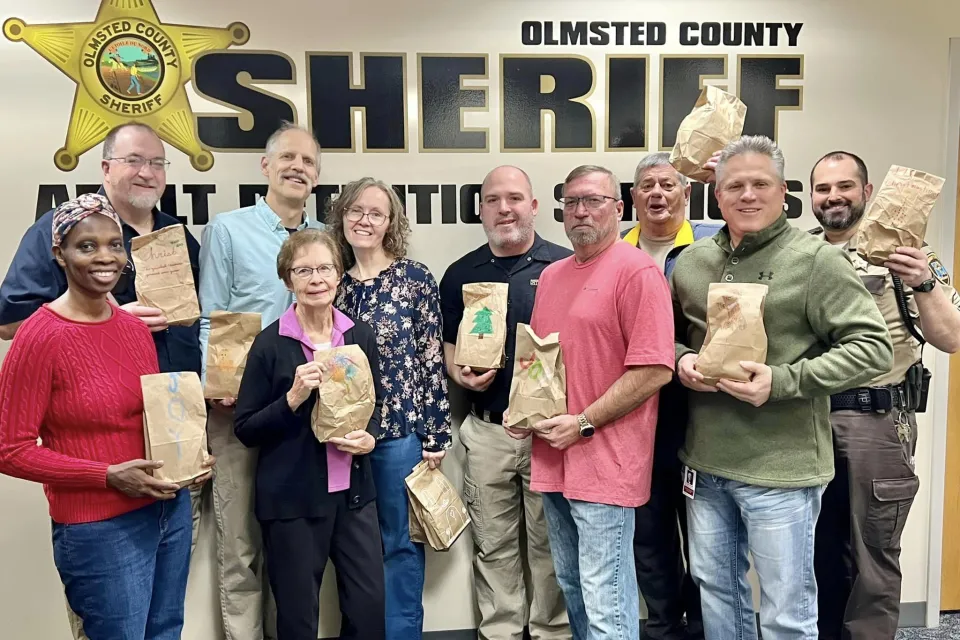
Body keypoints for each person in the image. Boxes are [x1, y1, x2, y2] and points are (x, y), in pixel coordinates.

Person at [671, 135, 894, 640]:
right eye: (735, 186)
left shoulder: (816, 261)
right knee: (716, 591)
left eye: (761, 184)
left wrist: (784, 381)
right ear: (717, 195)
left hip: (782, 469)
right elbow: (670, 335)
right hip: (705, 463)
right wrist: (682, 359)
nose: (747, 195)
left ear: (783, 192)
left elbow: (873, 349)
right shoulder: (692, 262)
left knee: (785, 610)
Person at [0, 122, 205, 639]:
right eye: (87, 246)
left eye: (115, 245)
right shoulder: (42, 334)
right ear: (59, 254)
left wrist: (188, 457)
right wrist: (107, 476)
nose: (106, 256)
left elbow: (144, 411)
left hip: (166, 506)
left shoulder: (135, 328)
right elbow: (10, 449)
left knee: (166, 630)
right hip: (99, 522)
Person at [507, 164, 675, 639]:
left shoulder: (637, 271)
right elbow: (542, 360)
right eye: (572, 201)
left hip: (606, 462)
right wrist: (524, 411)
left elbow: (655, 368)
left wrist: (583, 421)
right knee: (573, 586)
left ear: (619, 209)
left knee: (606, 598)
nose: (581, 211)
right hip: (553, 456)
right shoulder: (553, 275)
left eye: (593, 201)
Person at [808, 151, 960, 640]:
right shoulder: (801, 252)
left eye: (845, 186)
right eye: (823, 188)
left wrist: (923, 281)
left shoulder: (907, 253)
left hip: (876, 421)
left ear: (867, 192)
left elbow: (952, 337)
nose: (833, 197)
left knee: (872, 553)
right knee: (813, 551)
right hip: (805, 422)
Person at [199, 121, 324, 640]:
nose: (298, 167)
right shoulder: (228, 230)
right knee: (241, 545)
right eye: (287, 157)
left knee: (294, 547)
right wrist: (217, 386)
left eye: (308, 161)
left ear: (317, 176)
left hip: (307, 414)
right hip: (241, 410)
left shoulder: (324, 239)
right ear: (266, 166)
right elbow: (208, 317)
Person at [439, 165, 571, 640]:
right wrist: (460, 373)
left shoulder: (565, 267)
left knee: (550, 547)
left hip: (549, 434)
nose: (504, 208)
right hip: (487, 432)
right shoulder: (460, 274)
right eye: (493, 200)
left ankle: (552, 631)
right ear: (481, 210)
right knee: (493, 546)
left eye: (514, 198)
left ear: (534, 206)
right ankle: (500, 632)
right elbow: (447, 346)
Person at [233, 229, 385, 640]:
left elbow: (376, 404)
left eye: (325, 268)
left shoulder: (359, 335)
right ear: (288, 280)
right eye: (304, 271)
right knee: (298, 620)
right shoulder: (270, 344)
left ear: (338, 275)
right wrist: (293, 398)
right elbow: (245, 428)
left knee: (369, 611)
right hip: (292, 503)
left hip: (354, 496)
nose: (316, 279)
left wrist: (371, 437)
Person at [328, 177, 451, 639]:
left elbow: (430, 357)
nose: (364, 220)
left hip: (399, 435)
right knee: (350, 548)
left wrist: (436, 434)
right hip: (340, 437)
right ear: (342, 216)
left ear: (391, 223)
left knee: (399, 544)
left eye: (376, 213)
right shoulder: (330, 281)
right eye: (356, 210)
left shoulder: (414, 278)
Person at [624, 152, 721, 640]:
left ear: (686, 192)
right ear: (633, 196)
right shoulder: (617, 249)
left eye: (667, 184)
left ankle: (704, 626)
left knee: (707, 533)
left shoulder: (714, 243)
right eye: (647, 186)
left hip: (700, 412)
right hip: (635, 414)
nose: (657, 194)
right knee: (649, 532)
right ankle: (663, 626)